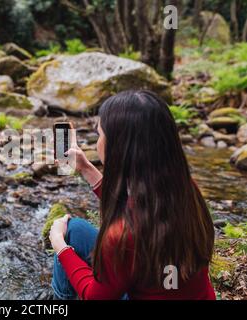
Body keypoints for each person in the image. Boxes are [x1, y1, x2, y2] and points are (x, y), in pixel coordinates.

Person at [49, 90, 216, 300]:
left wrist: (60, 246)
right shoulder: (184, 189)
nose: (98, 142)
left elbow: (95, 297)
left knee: (67, 234)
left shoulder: (121, 236)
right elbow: (139, 208)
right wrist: (86, 168)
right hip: (175, 287)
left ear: (120, 148)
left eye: (100, 135)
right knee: (77, 229)